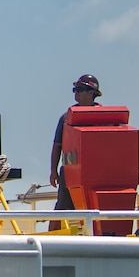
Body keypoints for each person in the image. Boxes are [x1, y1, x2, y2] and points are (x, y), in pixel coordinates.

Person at [49, 74, 103, 209]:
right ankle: (54, 231)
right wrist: (53, 171)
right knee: (63, 208)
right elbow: (57, 146)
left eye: (79, 90)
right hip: (70, 171)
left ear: (91, 92)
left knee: (95, 206)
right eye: (75, 90)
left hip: (97, 171)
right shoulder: (66, 118)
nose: (76, 93)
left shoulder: (104, 116)